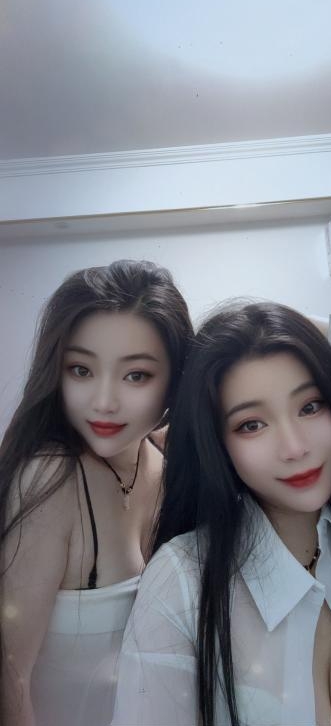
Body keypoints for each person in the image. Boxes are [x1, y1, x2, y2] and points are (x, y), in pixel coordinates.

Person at [112, 301, 331, 726]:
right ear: (218, 444)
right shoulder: (183, 578)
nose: (295, 448)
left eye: (310, 406)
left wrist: (325, 336)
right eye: (251, 424)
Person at [0, 259, 193, 726]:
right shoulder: (51, 478)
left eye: (136, 375)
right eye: (81, 370)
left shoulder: (165, 462)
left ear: (176, 379)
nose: (104, 401)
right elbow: (10, 676)